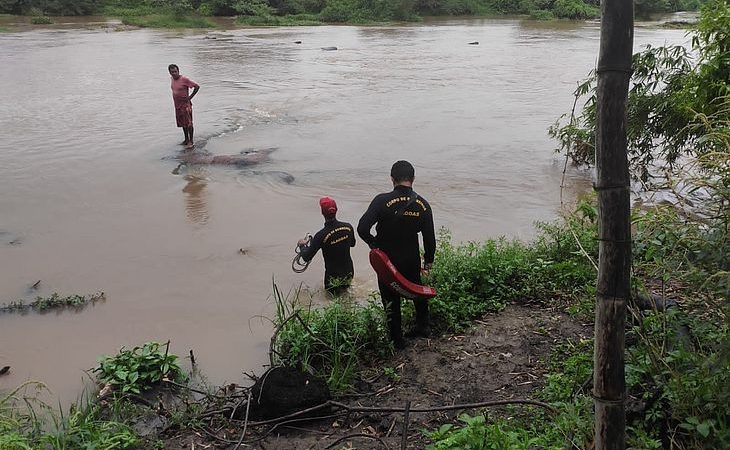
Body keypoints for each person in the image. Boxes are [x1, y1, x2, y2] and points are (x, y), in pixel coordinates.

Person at [358, 160, 436, 349]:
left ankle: (397, 340)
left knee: (390, 298)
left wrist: (374, 245)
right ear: (413, 179)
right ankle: (422, 327)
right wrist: (428, 262)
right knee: (417, 291)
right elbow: (429, 239)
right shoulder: (423, 205)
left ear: (392, 179)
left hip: (387, 261)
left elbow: (362, 228)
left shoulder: (381, 200)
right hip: (410, 258)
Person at [297, 197, 356, 296]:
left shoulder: (320, 235)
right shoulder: (348, 227)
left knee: (331, 301)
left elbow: (306, 257)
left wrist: (302, 245)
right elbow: (353, 244)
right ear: (336, 210)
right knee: (346, 296)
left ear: (322, 213)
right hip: (349, 272)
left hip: (332, 277)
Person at [168, 64, 200, 149]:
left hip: (185, 105)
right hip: (177, 105)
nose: (174, 73)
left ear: (178, 71)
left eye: (175, 71)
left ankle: (191, 141)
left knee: (189, 123)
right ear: (170, 73)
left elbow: (197, 86)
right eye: (172, 72)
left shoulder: (184, 79)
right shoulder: (172, 79)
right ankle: (186, 139)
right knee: (182, 123)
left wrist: (190, 97)